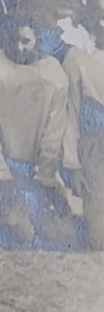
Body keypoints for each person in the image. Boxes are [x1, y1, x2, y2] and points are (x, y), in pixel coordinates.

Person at [0, 14, 78, 249]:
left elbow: (54, 133)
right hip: (0, 168)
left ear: (37, 40)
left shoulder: (53, 73)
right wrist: (2, 176)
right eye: (11, 40)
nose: (18, 48)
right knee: (20, 233)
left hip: (37, 172)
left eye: (25, 41)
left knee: (64, 235)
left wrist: (46, 176)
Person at [63, 32, 104, 250]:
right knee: (99, 241)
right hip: (96, 148)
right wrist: (73, 165)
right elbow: (71, 113)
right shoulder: (77, 57)